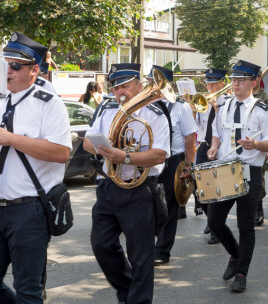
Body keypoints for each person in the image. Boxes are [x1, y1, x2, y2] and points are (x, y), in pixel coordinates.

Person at [0, 32, 71, 304]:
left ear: (34, 70)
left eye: (15, 66)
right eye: (5, 65)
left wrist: (10, 138)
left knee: (28, 290)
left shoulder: (49, 103)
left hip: (30, 209)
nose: (9, 71)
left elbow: (61, 153)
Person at [83, 63, 170, 304]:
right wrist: (105, 145)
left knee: (141, 257)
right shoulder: (106, 110)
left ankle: (137, 300)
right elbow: (86, 144)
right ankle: (127, 291)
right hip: (109, 187)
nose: (120, 92)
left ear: (140, 86)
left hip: (140, 190)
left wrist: (126, 157)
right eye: (116, 87)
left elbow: (160, 155)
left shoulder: (155, 114)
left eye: (126, 86)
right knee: (101, 245)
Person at [207, 60, 268, 292]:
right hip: (225, 169)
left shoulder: (262, 110)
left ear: (253, 83)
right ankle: (235, 255)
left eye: (241, 80)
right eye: (234, 80)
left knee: (246, 226)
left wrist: (255, 143)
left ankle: (242, 273)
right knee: (214, 221)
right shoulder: (223, 105)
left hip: (249, 171)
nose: (235, 84)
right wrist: (214, 147)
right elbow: (217, 134)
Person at [153, 65, 197, 266]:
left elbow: (190, 138)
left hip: (173, 162)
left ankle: (162, 250)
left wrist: (189, 166)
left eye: (157, 82)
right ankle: (152, 243)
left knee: (169, 207)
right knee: (149, 205)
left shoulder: (182, 107)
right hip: (151, 161)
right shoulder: (147, 105)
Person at [193, 68, 228, 244]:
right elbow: (197, 126)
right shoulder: (203, 101)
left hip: (218, 148)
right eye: (208, 82)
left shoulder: (227, 102)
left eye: (214, 82)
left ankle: (216, 227)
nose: (210, 86)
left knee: (214, 191)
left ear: (223, 83)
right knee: (199, 189)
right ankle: (211, 220)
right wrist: (193, 109)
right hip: (202, 146)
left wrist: (216, 107)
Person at [252, 69, 268, 226]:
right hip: (245, 144)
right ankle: (251, 207)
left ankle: (258, 208)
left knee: (258, 178)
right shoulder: (242, 98)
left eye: (254, 78)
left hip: (261, 145)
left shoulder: (266, 99)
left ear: (259, 78)